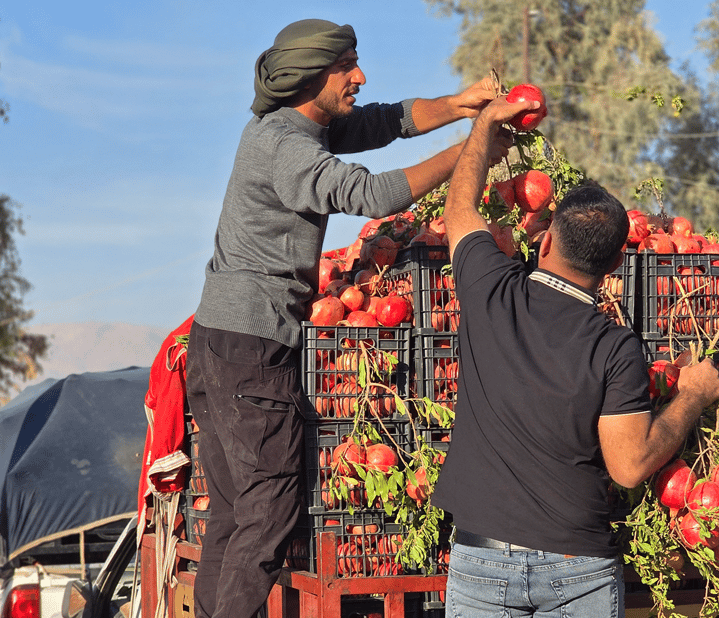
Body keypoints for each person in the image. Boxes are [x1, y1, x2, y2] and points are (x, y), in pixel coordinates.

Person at [184, 18, 511, 618]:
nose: (359, 77)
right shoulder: (287, 147)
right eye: (347, 67)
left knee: (234, 514)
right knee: (268, 511)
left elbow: (382, 122)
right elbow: (372, 194)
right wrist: (475, 150)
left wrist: (461, 105)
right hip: (251, 347)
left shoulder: (293, 127)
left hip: (223, 341)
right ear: (312, 76)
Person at [430, 95, 719, 616]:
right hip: (578, 569)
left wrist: (485, 126)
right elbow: (629, 467)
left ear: (544, 244)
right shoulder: (616, 348)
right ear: (614, 263)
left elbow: (459, 206)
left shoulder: (491, 292)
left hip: (483, 562)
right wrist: (691, 399)